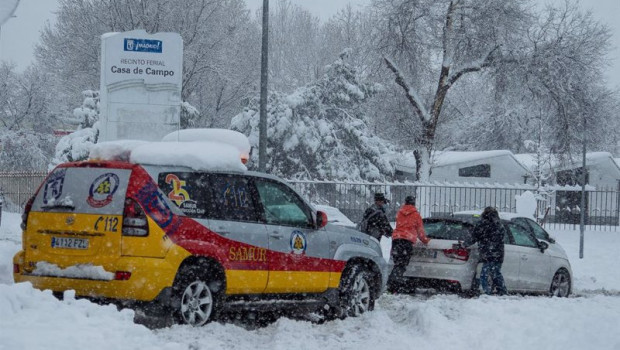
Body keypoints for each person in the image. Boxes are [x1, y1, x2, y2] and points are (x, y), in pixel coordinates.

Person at [388, 195, 430, 292]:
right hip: (406, 241)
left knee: (397, 263)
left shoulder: (400, 213)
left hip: (396, 239)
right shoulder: (416, 215)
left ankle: (393, 283)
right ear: (414, 203)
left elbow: (399, 225)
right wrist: (425, 240)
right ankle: (392, 285)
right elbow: (420, 231)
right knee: (401, 264)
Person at [462, 206, 507, 295]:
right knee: (495, 273)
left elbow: (474, 237)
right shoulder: (499, 225)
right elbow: (500, 238)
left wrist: (464, 245)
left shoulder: (482, 225)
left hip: (487, 253)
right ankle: (501, 291)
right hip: (498, 254)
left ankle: (487, 292)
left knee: (484, 274)